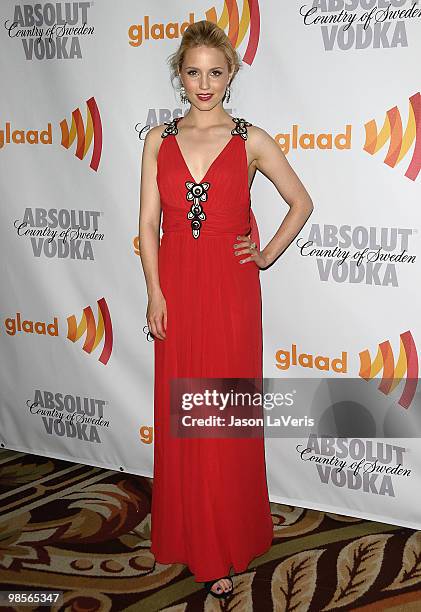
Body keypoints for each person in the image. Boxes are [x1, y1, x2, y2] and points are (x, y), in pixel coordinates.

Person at [138, 20, 314, 599]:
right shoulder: (158, 140)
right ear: (179, 75)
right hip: (179, 293)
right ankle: (190, 533)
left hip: (232, 293)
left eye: (216, 72)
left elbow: (300, 202)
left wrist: (264, 255)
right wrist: (155, 293)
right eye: (193, 72)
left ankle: (222, 542)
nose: (204, 83)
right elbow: (147, 224)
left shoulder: (251, 139)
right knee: (185, 413)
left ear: (231, 74)